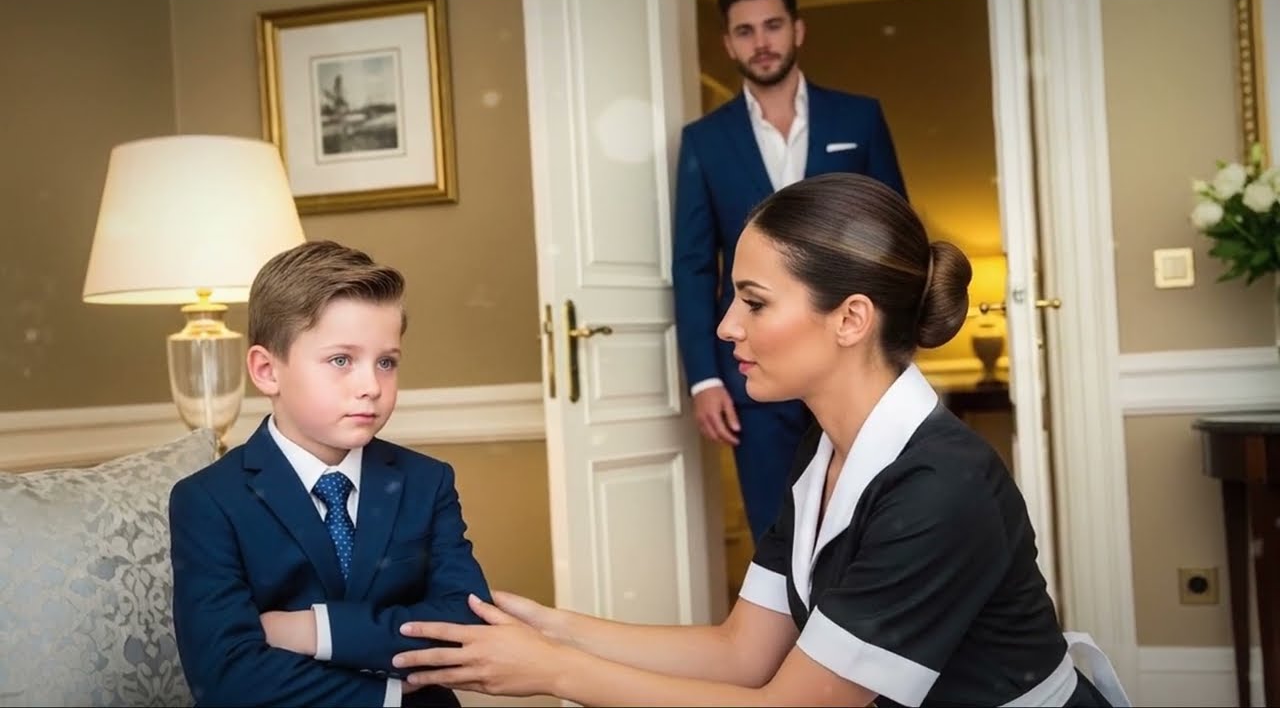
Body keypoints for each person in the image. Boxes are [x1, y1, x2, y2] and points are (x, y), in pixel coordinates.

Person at [388, 174, 1130, 708]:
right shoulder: (824, 448)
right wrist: (553, 629)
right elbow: (741, 652)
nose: (726, 327)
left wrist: (552, 672)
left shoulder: (939, 489)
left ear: (851, 319)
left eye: (754, 302)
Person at [168, 240, 492, 707]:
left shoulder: (427, 482)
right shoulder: (209, 500)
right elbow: (227, 676)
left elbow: (469, 628)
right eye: (341, 360)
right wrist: (389, 694)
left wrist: (317, 630)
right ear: (266, 370)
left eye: (386, 362)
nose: (371, 386)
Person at [675, 0, 908, 542]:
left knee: (871, 515)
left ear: (798, 30)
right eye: (745, 30)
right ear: (728, 43)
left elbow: (895, 241)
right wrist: (705, 378)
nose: (761, 42)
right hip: (754, 364)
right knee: (777, 529)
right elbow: (693, 265)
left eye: (773, 25)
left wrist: (894, 347)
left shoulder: (858, 118)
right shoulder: (705, 141)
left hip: (852, 353)